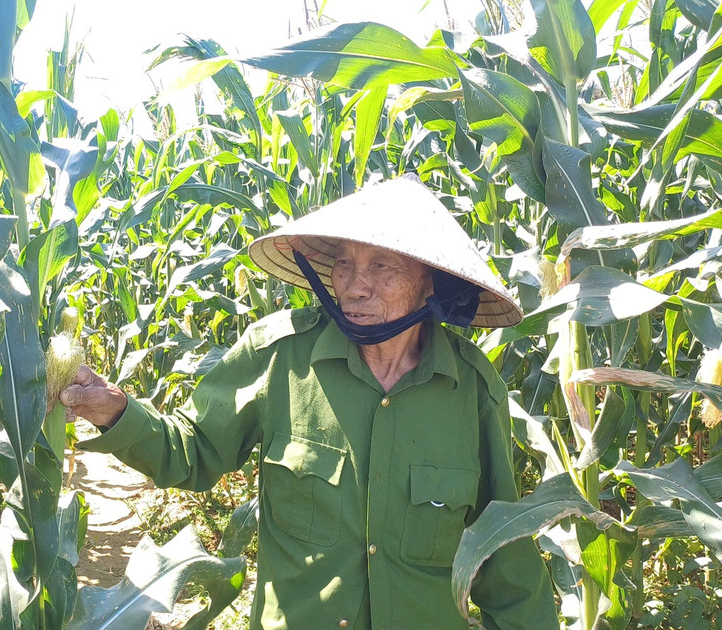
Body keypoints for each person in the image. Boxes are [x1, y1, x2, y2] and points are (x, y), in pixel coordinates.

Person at [59, 177, 558, 629]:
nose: (355, 286)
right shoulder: (279, 358)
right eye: (345, 263)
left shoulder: (471, 389)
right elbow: (192, 451)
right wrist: (117, 412)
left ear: (430, 281)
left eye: (382, 266)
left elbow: (502, 549)